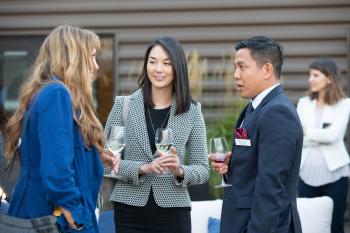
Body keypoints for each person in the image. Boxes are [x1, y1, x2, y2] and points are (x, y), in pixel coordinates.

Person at [4, 25, 116, 232]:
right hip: (51, 216)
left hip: (39, 208)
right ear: (73, 58)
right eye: (91, 57)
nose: (96, 66)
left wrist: (91, 155)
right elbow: (56, 172)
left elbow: (49, 151)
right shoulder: (57, 94)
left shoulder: (45, 91)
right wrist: (80, 218)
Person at [104, 36, 210, 233]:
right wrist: (144, 167)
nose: (158, 69)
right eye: (152, 62)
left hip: (174, 212)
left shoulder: (192, 111)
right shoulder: (123, 105)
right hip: (129, 211)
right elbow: (105, 161)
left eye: (167, 63)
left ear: (177, 68)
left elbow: (203, 169)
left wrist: (180, 171)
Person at [209, 36, 303, 233]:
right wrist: (235, 162)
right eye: (235, 67)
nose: (235, 74)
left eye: (242, 67)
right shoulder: (255, 106)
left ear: (267, 69)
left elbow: (271, 186)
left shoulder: (278, 113)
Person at [297, 57, 350, 233]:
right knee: (308, 225)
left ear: (329, 78)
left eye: (316, 75)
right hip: (304, 175)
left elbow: (334, 136)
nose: (310, 79)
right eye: (310, 75)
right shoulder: (304, 103)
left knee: (335, 226)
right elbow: (298, 139)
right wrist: (317, 135)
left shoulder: (345, 104)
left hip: (336, 175)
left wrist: (307, 131)